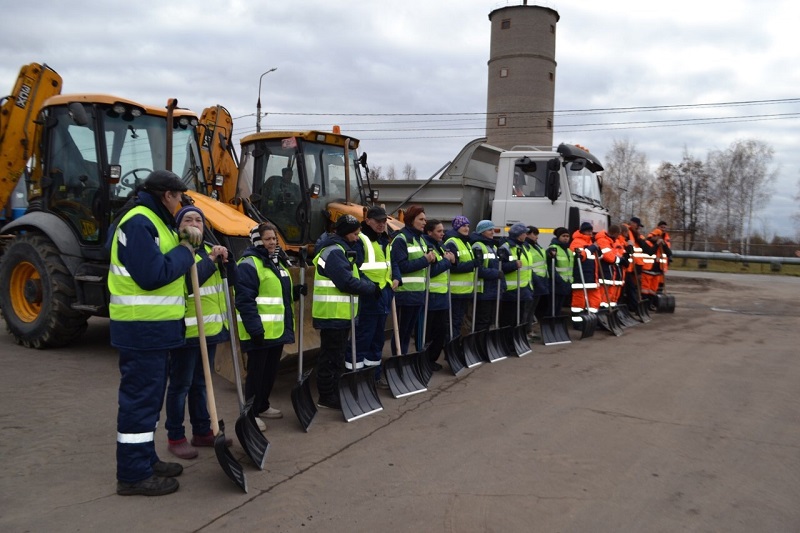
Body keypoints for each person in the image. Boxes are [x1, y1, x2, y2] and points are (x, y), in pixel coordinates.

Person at [109, 170, 200, 496]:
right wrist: (186, 251)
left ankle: (145, 459)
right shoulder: (139, 222)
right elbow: (152, 275)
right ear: (167, 195)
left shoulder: (156, 221)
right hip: (141, 329)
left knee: (148, 402)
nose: (182, 203)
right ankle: (133, 475)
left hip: (154, 329)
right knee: (139, 402)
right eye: (179, 197)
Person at [166, 206, 234, 460]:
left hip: (209, 330)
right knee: (180, 385)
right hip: (185, 331)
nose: (194, 223)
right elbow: (186, 284)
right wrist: (209, 262)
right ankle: (175, 436)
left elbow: (229, 282)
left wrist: (227, 259)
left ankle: (202, 430)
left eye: (199, 219)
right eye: (188, 219)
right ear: (178, 226)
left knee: (201, 384)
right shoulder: (177, 252)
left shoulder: (207, 250)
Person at [312, 214, 381, 409]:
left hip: (340, 314)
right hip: (332, 314)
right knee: (331, 357)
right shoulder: (334, 252)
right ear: (345, 233)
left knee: (337, 355)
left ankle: (334, 391)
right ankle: (326, 396)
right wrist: (371, 289)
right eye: (355, 233)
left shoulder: (342, 249)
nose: (358, 237)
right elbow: (346, 282)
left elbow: (354, 275)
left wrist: (370, 284)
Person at [236, 222, 298, 430]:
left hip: (275, 330)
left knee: (270, 372)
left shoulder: (276, 263)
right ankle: (251, 413)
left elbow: (276, 294)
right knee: (256, 374)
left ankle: (262, 406)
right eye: (267, 239)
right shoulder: (249, 264)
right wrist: (254, 329)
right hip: (259, 331)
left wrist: (296, 292)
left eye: (274, 238)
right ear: (257, 240)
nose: (272, 242)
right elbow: (245, 300)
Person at [353, 206, 398, 384]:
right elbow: (355, 268)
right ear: (368, 220)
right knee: (364, 337)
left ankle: (374, 375)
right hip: (368, 296)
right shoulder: (361, 240)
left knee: (378, 339)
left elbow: (390, 264)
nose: (381, 224)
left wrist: (397, 278)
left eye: (384, 221)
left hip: (384, 294)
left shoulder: (384, 241)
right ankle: (356, 378)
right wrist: (369, 286)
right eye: (378, 221)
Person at [390, 205, 436, 355]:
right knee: (401, 333)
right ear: (411, 220)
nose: (424, 222)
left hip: (417, 293)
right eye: (421, 219)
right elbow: (401, 266)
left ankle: (403, 359)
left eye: (425, 219)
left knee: (408, 332)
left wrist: (432, 260)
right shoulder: (401, 239)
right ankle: (399, 359)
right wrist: (425, 260)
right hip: (405, 294)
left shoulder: (420, 239)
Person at [422, 218, 456, 370]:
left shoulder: (440, 247)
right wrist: (447, 262)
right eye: (439, 231)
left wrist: (453, 260)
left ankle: (432, 359)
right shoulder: (429, 247)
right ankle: (425, 360)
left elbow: (450, 262)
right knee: (429, 331)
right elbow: (433, 271)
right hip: (432, 296)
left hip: (442, 295)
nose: (443, 233)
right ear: (429, 232)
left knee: (440, 331)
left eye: (443, 230)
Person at [469, 220, 509, 333]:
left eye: (493, 229)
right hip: (483, 291)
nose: (493, 232)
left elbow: (499, 268)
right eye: (489, 230)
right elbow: (478, 269)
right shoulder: (478, 246)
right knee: (482, 321)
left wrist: (503, 285)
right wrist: (496, 274)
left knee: (489, 321)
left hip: (493, 290)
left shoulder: (492, 246)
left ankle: (485, 345)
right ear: (482, 231)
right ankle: (479, 345)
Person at [443, 216, 479, 337]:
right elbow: (452, 267)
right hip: (455, 291)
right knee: (453, 321)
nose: (466, 228)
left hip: (465, 291)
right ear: (457, 227)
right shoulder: (452, 242)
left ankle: (455, 345)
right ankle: (450, 347)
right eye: (463, 226)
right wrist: (473, 264)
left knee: (458, 321)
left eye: (468, 226)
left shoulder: (465, 242)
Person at [498, 223, 530, 329]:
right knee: (508, 319)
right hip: (510, 290)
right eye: (524, 233)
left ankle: (515, 340)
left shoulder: (523, 247)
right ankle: (506, 340)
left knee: (519, 319)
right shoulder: (506, 248)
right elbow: (500, 267)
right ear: (518, 235)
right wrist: (514, 265)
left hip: (523, 289)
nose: (526, 235)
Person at [569, 222, 600, 327]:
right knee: (578, 302)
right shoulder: (576, 242)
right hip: (580, 277)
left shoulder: (591, 242)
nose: (590, 233)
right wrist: (592, 248)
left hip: (591, 277)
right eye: (588, 231)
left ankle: (590, 320)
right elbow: (579, 257)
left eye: (591, 231)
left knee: (594, 301)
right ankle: (578, 323)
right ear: (582, 231)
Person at [523, 225, 549, 340]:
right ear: (527, 234)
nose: (536, 236)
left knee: (532, 309)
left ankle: (529, 330)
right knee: (527, 309)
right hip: (532, 280)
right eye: (534, 234)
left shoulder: (536, 246)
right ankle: (524, 331)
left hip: (540, 281)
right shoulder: (526, 246)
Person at [640, 228, 672, 308]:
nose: (655, 238)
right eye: (654, 236)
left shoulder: (662, 245)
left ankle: (650, 304)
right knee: (645, 290)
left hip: (657, 272)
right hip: (647, 271)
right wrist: (657, 244)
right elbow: (650, 252)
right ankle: (644, 305)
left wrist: (664, 244)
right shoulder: (647, 243)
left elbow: (669, 253)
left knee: (653, 290)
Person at [546, 227, 574, 315]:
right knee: (553, 306)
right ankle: (550, 320)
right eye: (563, 236)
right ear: (558, 237)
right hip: (556, 282)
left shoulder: (569, 251)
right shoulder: (553, 249)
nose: (566, 238)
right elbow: (550, 266)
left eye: (567, 236)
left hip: (566, 282)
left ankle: (556, 320)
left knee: (559, 306)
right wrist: (558, 279)